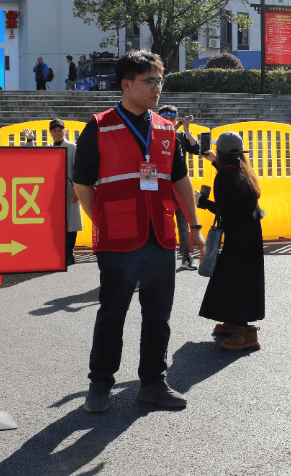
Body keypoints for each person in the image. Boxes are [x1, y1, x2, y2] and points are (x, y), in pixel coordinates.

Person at [72, 50, 206, 413]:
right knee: (112, 314)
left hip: (161, 235)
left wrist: (194, 227)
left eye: (160, 80)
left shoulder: (166, 129)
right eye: (150, 81)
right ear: (126, 84)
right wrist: (100, 221)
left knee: (158, 315)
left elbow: (180, 180)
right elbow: (82, 184)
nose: (157, 88)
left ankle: (153, 383)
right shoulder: (99, 126)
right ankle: (99, 385)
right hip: (118, 239)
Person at [195, 131, 265, 350]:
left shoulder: (224, 176)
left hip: (238, 235)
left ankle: (246, 332)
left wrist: (202, 202)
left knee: (232, 279)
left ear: (220, 152)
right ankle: (235, 321)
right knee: (236, 277)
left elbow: (225, 211)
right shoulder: (243, 169)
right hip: (250, 233)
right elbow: (231, 184)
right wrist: (215, 162)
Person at [24, 119, 83, 266]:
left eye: (59, 130)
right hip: (52, 192)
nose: (57, 133)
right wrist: (30, 141)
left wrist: (77, 190)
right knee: (55, 224)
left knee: (70, 223)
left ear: (65, 131)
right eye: (54, 131)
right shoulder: (48, 148)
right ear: (50, 133)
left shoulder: (73, 147)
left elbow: (79, 169)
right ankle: (57, 252)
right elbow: (32, 159)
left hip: (69, 190)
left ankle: (69, 253)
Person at [158, 105, 202, 270]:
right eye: (165, 119)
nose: (169, 121)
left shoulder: (181, 135)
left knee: (183, 224)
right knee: (160, 224)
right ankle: (159, 261)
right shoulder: (153, 134)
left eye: (172, 119)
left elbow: (197, 149)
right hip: (160, 186)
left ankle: (186, 257)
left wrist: (187, 129)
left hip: (180, 186)